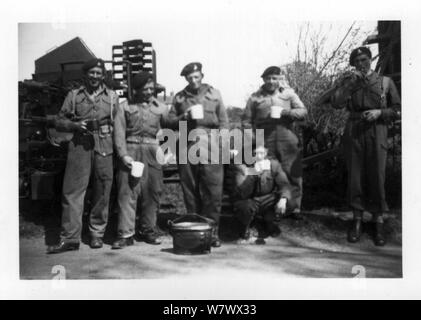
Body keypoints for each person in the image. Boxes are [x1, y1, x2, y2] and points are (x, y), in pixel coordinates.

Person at [330, 46, 401, 246]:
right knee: (355, 177)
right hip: (354, 130)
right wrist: (350, 85)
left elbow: (397, 109)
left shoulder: (385, 82)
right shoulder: (348, 81)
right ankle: (357, 221)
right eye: (357, 61)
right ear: (353, 64)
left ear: (370, 60)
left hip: (377, 129)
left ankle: (378, 222)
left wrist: (380, 113)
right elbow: (336, 103)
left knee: (377, 176)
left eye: (364, 59)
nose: (361, 64)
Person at [48, 58, 118, 253]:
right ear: (85, 74)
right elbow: (59, 121)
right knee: (72, 191)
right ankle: (70, 238)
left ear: (103, 75)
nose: (95, 76)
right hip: (79, 144)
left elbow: (119, 124)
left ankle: (97, 234)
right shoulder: (73, 95)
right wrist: (74, 125)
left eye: (99, 73)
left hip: (105, 143)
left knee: (102, 189)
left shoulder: (112, 97)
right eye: (92, 72)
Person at [167, 62, 229, 247]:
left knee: (213, 191)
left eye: (196, 77)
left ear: (202, 75)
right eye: (189, 78)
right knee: (190, 191)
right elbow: (169, 122)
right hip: (187, 144)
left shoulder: (214, 94)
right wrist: (183, 117)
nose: (193, 81)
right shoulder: (179, 98)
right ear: (186, 79)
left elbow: (224, 123)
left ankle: (212, 233)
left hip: (212, 145)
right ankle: (196, 230)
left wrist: (224, 147)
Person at [111, 72, 169, 249]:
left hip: (153, 151)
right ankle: (125, 234)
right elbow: (119, 133)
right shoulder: (124, 106)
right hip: (131, 150)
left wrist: (168, 153)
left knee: (152, 192)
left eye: (152, 88)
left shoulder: (161, 107)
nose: (150, 91)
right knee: (128, 192)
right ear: (136, 90)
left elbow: (172, 130)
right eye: (145, 89)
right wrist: (123, 155)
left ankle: (148, 230)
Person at [242, 66, 307, 220]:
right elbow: (245, 122)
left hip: (287, 136)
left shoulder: (289, 93)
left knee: (293, 172)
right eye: (268, 78)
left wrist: (286, 112)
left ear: (280, 78)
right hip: (264, 138)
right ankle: (271, 207)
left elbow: (303, 111)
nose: (271, 81)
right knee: (269, 172)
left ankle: (294, 208)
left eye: (274, 78)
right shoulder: (255, 98)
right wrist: (255, 141)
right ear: (263, 79)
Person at [228, 146, 291, 245]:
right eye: (255, 154)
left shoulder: (273, 165)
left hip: (267, 198)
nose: (258, 156)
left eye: (261, 153)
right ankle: (245, 230)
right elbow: (242, 194)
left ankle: (269, 223)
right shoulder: (243, 166)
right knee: (244, 207)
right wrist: (253, 173)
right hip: (250, 200)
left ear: (266, 154)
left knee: (286, 200)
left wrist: (283, 199)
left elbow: (284, 184)